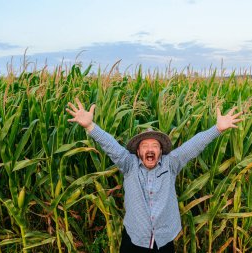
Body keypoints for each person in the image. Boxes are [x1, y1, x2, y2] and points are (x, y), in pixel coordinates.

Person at [66, 98, 243, 253]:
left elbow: (193, 146)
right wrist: (90, 126)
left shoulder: (170, 164)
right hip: (135, 236)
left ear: (160, 151)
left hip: (164, 238)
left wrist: (217, 129)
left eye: (155, 146)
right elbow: (110, 145)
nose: (150, 149)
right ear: (138, 151)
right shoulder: (129, 165)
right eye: (145, 146)